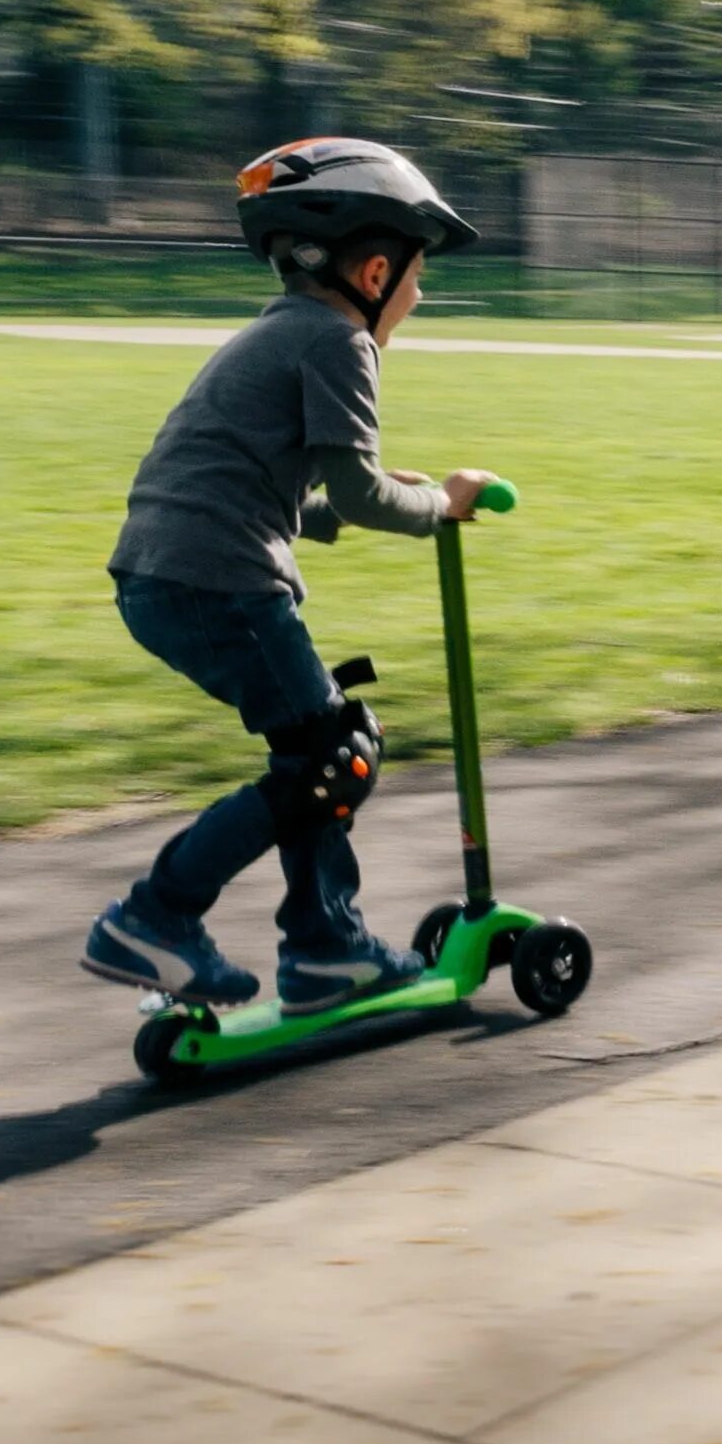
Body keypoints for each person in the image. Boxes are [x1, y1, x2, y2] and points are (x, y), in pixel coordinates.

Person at [79, 137, 497, 1013]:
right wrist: (442, 506)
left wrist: (355, 503)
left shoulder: (275, 334)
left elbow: (268, 491)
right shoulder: (341, 343)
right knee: (334, 758)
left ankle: (321, 946)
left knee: (318, 753)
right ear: (376, 272)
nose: (416, 301)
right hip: (220, 579)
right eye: (418, 282)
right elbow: (355, 489)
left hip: (163, 571)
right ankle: (166, 918)